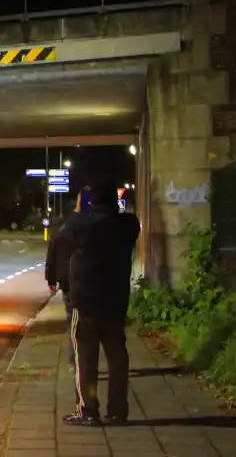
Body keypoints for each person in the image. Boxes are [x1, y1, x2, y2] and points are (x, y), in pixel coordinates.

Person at [57, 179, 140, 427]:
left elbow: (63, 240)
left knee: (86, 359)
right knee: (117, 358)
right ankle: (117, 411)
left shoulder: (79, 224)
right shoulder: (128, 224)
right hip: (115, 302)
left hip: (85, 302)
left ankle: (88, 410)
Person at [45, 195, 82, 369]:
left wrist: (50, 278)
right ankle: (80, 361)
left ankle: (75, 361)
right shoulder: (89, 223)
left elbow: (51, 252)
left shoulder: (61, 224)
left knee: (73, 322)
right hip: (83, 280)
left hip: (66, 280)